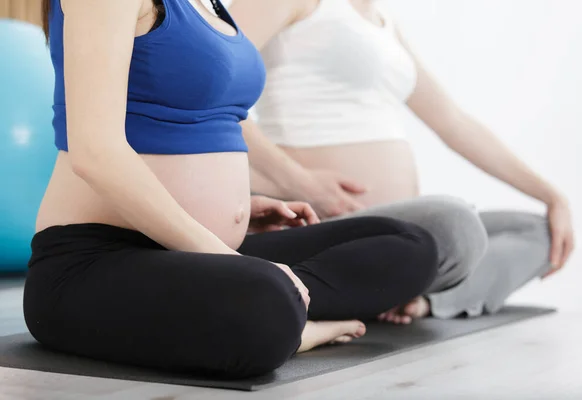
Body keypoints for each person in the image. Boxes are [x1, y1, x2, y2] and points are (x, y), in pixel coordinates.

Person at [23, 0, 440, 379]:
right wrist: (230, 260)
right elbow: (96, 154)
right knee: (264, 303)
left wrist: (240, 205)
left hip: (202, 253)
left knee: (408, 243)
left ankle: (282, 303)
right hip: (94, 262)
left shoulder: (207, 2)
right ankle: (287, 321)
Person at [228, 0, 575, 322]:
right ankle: (395, 287)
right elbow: (215, 86)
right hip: (326, 219)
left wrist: (552, 196)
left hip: (405, 228)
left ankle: (422, 302)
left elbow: (453, 122)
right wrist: (299, 182)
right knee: (456, 223)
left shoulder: (382, 22)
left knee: (541, 232)